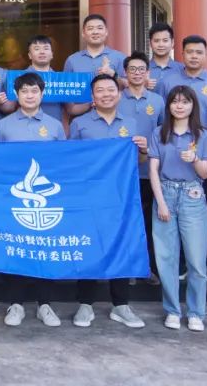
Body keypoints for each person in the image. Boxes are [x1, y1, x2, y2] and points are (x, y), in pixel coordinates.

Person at [68, 73, 148, 329]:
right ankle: (85, 304)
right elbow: (70, 160)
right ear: (92, 97)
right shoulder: (80, 124)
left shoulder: (131, 123)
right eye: (100, 90)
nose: (106, 94)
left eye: (110, 89)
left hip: (121, 196)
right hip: (89, 196)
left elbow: (139, 161)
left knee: (121, 244)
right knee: (89, 244)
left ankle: (121, 305)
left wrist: (143, 150)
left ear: (119, 94)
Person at [156, 35, 207, 279]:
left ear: (205, 55)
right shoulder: (168, 81)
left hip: (206, 159)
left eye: (199, 52)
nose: (194, 56)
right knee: (174, 214)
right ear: (182, 54)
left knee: (205, 214)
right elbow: (160, 118)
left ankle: (205, 265)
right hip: (172, 158)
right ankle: (179, 265)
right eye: (189, 52)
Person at [0, 72, 66, 328]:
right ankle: (16, 304)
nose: (29, 95)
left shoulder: (55, 126)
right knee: (15, 248)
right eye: (24, 91)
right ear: (17, 94)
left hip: (47, 200)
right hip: (14, 197)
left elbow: (64, 162)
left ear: (42, 94)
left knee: (44, 250)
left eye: (34, 91)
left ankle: (44, 304)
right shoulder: (4, 126)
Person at [148, 85, 207, 332]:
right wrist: (161, 202)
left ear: (192, 106)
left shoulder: (202, 135)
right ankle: (172, 310)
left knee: (196, 260)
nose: (179, 106)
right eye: (175, 101)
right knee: (166, 258)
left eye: (185, 102)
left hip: (192, 195)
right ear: (168, 106)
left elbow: (206, 173)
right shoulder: (159, 132)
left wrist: (195, 159)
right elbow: (153, 170)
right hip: (165, 193)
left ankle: (196, 312)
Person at [119, 53, 165, 284]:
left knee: (148, 222)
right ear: (125, 73)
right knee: (126, 220)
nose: (137, 73)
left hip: (150, 173)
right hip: (122, 174)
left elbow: (164, 133)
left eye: (141, 69)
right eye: (132, 69)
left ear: (148, 73)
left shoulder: (158, 101)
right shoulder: (116, 98)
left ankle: (147, 267)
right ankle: (126, 268)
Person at [64, 14, 128, 116]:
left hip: (113, 118)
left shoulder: (120, 58)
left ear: (106, 32)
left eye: (99, 28)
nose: (95, 32)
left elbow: (128, 87)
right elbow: (67, 97)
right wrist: (90, 103)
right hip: (81, 119)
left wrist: (113, 75)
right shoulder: (72, 60)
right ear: (83, 33)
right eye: (90, 28)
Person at [23, 34, 70, 130]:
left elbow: (68, 109)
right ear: (29, 55)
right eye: (37, 49)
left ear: (52, 54)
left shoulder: (61, 79)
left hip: (54, 130)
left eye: (46, 48)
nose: (42, 52)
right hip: (26, 129)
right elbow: (11, 107)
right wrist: (0, 103)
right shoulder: (19, 77)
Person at [146, 22, 185, 90]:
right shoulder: (142, 70)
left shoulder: (182, 69)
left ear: (172, 43)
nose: (161, 45)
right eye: (156, 41)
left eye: (165, 40)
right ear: (150, 43)